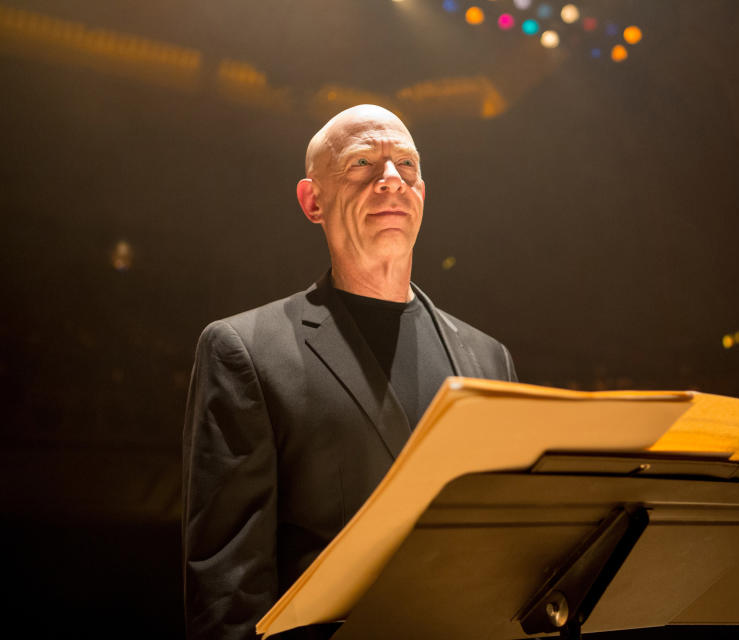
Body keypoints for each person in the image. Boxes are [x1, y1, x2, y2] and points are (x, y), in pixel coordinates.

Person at [181, 105, 517, 639]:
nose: (391, 180)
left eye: (406, 165)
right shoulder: (245, 349)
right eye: (362, 163)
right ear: (313, 200)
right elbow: (229, 589)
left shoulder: (489, 358)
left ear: (422, 193)